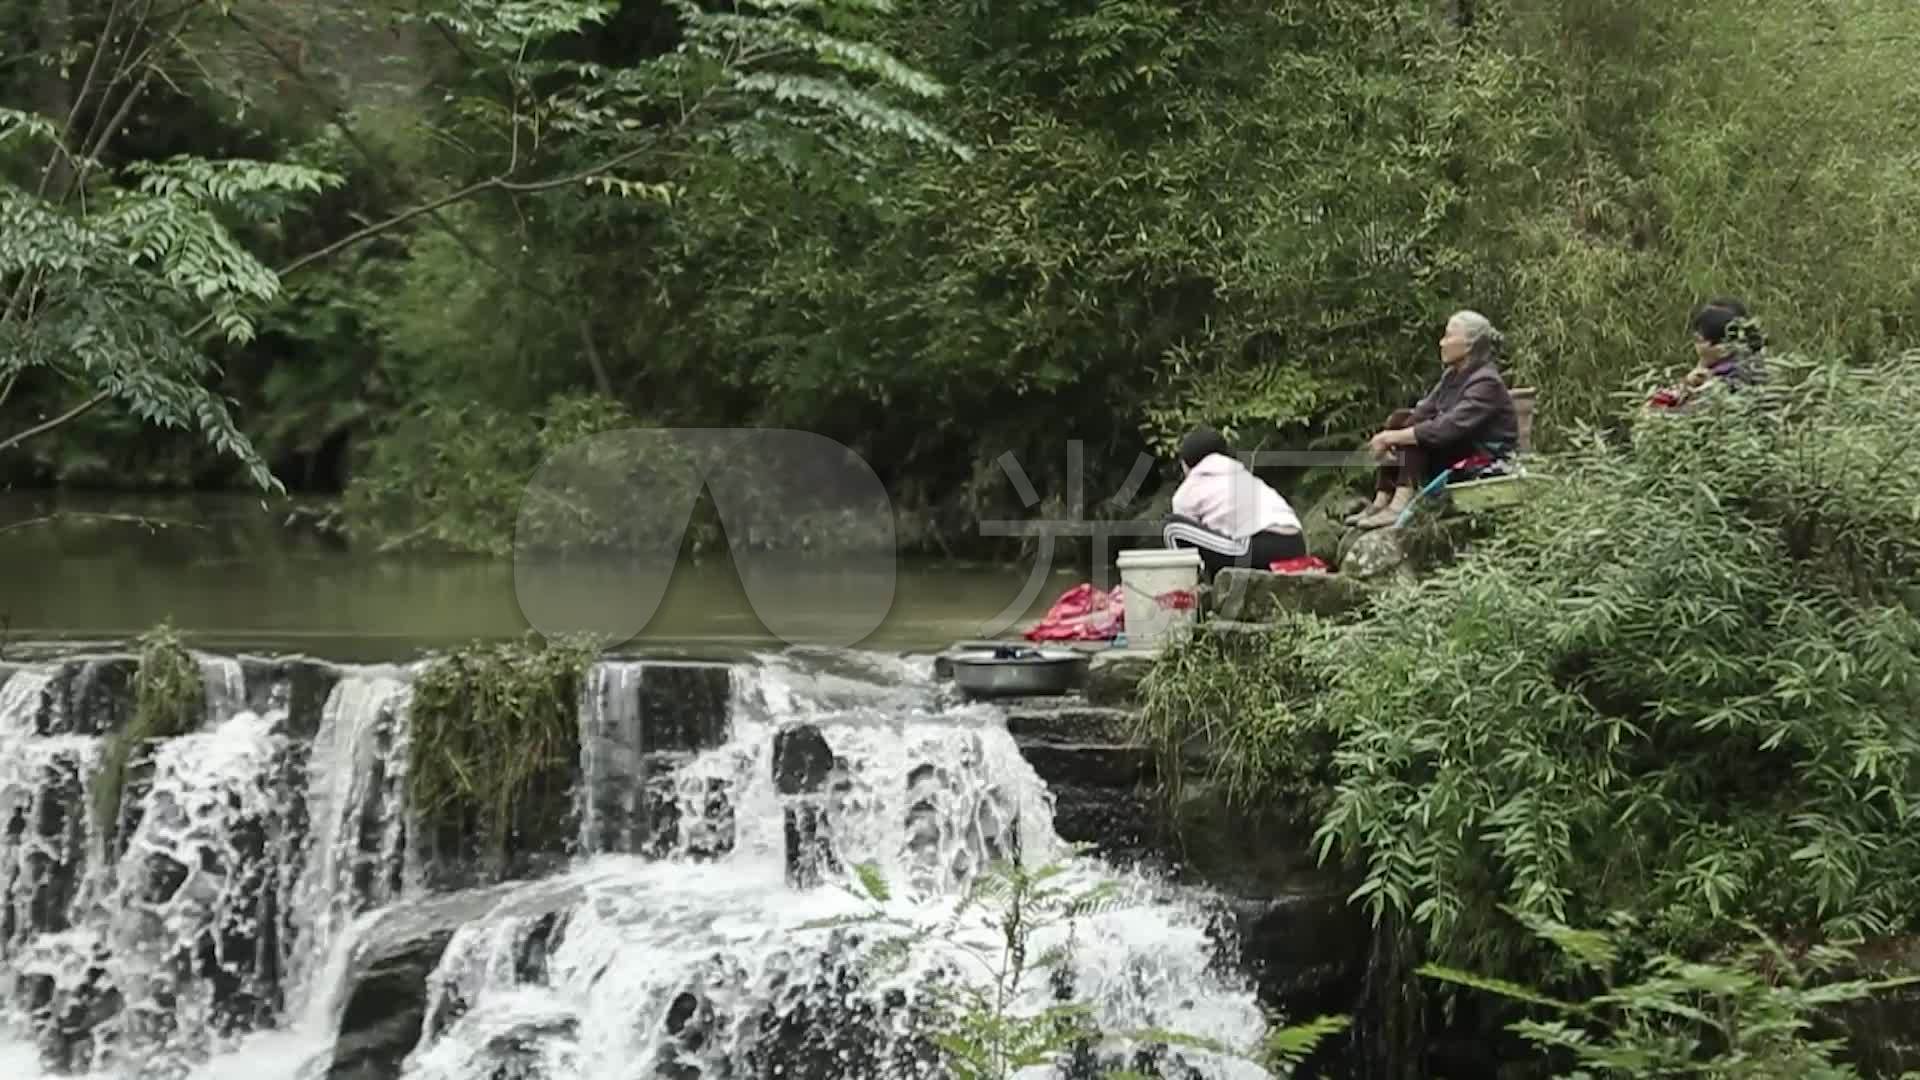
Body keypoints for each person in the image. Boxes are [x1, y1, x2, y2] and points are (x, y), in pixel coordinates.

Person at [1348, 310, 1520, 529]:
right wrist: (1391, 433)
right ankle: (1382, 500)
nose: (1441, 342)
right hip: (1458, 451)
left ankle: (1400, 504)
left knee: (1420, 434)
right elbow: (1423, 410)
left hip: (1483, 461)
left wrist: (1397, 437)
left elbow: (1446, 429)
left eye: (1448, 336)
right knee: (1402, 419)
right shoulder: (1452, 375)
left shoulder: (1486, 382)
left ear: (1469, 345)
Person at [1162, 426, 1306, 579]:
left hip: (1260, 546)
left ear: (1186, 463)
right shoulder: (1240, 474)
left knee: (1172, 527)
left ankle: (1187, 589)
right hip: (1295, 544)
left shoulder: (1190, 488)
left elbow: (1190, 549)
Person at [1647, 298, 1767, 411]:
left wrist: (1687, 384)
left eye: (1699, 340)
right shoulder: (1753, 366)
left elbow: (1657, 413)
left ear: (1722, 348)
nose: (1695, 346)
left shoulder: (1726, 382)